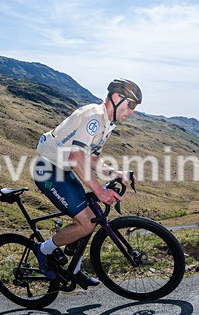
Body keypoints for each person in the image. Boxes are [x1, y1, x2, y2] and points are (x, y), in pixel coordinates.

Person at [32, 78, 141, 288]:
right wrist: (99, 191)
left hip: (63, 169)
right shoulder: (94, 116)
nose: (132, 112)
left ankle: (73, 269)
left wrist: (116, 173)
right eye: (131, 105)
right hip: (48, 170)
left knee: (92, 218)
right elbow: (76, 157)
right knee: (87, 223)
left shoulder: (107, 124)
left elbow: (91, 159)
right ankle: (43, 250)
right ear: (116, 98)